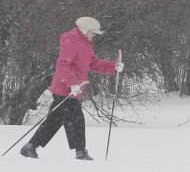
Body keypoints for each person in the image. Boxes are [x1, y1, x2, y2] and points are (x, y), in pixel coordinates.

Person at [20, 17, 124, 161]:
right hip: (65, 89)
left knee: (54, 121)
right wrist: (72, 84)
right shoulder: (72, 41)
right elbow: (62, 65)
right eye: (93, 32)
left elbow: (94, 63)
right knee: (76, 119)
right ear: (85, 30)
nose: (94, 35)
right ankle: (80, 151)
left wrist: (113, 67)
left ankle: (30, 146)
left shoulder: (86, 43)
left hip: (74, 89)